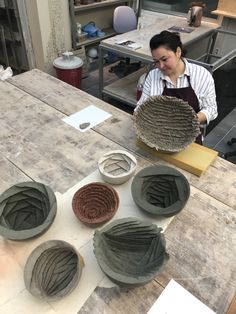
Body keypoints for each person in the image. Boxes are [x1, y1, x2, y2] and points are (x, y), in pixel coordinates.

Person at [136, 30, 218, 144]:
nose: (161, 66)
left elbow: (211, 109)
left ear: (178, 52)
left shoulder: (201, 75)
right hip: (157, 136)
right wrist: (141, 117)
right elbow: (141, 106)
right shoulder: (153, 76)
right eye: (156, 62)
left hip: (190, 137)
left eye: (165, 59)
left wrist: (189, 121)